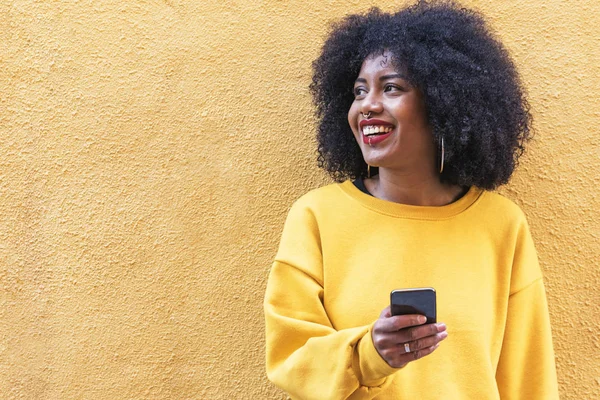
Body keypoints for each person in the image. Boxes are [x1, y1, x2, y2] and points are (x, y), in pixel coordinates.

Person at [264, 1, 559, 399]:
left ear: (443, 102)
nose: (368, 105)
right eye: (358, 91)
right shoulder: (316, 217)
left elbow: (528, 379)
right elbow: (290, 355)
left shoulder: (501, 224)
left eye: (391, 87)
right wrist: (370, 353)